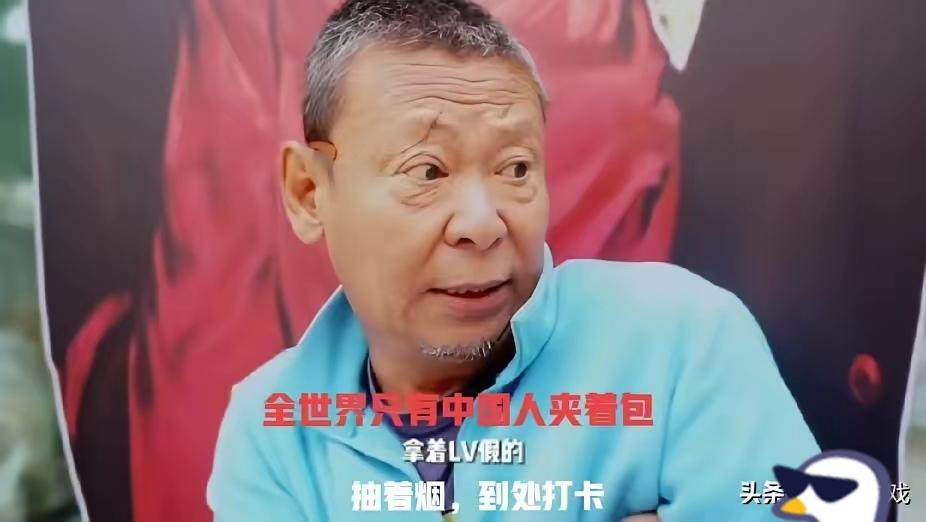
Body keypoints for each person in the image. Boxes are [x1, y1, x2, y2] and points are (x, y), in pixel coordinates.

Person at [206, 1, 819, 521]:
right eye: (428, 171)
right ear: (309, 193)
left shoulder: (681, 342)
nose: (482, 224)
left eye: (516, 168)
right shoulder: (271, 427)